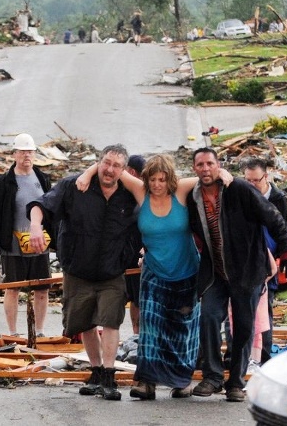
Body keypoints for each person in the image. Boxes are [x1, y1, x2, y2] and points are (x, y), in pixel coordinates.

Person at [75, 155, 231, 400]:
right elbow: (110, 166)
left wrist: (222, 174)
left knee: (183, 329)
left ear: (169, 179)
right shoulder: (141, 191)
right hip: (154, 272)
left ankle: (181, 382)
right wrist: (87, 173)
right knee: (151, 328)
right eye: (153, 179)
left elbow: (206, 175)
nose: (157, 184)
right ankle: (147, 382)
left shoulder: (179, 190)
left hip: (187, 271)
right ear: (146, 179)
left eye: (162, 179)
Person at [27, 144, 139, 401]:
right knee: (85, 322)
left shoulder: (128, 195)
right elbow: (42, 204)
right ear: (99, 162)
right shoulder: (74, 187)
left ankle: (109, 376)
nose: (109, 169)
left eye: (116, 166)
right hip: (78, 269)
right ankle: (96, 371)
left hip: (112, 271)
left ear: (123, 171)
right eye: (106, 163)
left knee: (111, 321)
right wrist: (35, 225)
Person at [186, 148, 287, 403]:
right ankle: (212, 377)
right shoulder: (193, 198)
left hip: (247, 270)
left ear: (218, 165)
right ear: (194, 168)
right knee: (209, 317)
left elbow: (274, 218)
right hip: (216, 272)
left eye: (210, 164)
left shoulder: (240, 190)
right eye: (200, 164)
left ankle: (235, 382)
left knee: (244, 327)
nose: (205, 169)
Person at [0, 133, 52, 337]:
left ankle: (40, 331)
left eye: (30, 151)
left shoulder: (42, 179)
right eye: (23, 151)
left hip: (40, 243)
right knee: (13, 289)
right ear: (14, 154)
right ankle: (13, 332)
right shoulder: (5, 183)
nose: (27, 155)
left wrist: (57, 239)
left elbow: (52, 208)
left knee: (42, 289)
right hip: (13, 245)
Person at [242, 157, 287, 364]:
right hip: (246, 261)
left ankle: (263, 357)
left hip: (270, 263)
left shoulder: (278, 199)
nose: (252, 185)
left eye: (256, 180)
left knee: (265, 311)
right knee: (240, 310)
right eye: (248, 181)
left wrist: (286, 257)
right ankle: (239, 356)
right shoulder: (241, 196)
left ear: (266, 176)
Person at [124, 155, 146, 336]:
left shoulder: (143, 194)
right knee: (135, 299)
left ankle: (139, 334)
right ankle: (136, 333)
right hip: (128, 255)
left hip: (140, 253)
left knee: (139, 299)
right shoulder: (125, 192)